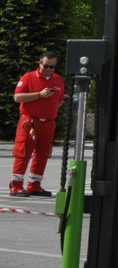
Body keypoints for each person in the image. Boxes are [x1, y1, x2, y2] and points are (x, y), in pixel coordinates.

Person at [12, 51, 64, 197]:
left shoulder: (58, 80)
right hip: (30, 122)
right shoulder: (28, 77)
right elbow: (17, 97)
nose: (49, 70)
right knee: (23, 152)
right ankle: (16, 185)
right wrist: (39, 95)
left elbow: (60, 100)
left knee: (42, 154)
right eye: (46, 66)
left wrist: (48, 109)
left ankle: (34, 185)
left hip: (47, 123)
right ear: (40, 63)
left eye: (52, 67)